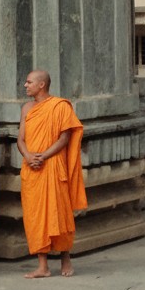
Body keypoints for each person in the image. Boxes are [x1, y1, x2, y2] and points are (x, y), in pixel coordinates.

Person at [17, 69, 87, 278]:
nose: (25, 85)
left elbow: (64, 137)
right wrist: (29, 156)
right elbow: (21, 138)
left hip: (53, 165)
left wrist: (43, 156)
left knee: (59, 212)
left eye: (29, 82)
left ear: (41, 85)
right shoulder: (27, 108)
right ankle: (42, 265)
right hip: (32, 167)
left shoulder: (60, 106)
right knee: (35, 215)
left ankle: (65, 258)